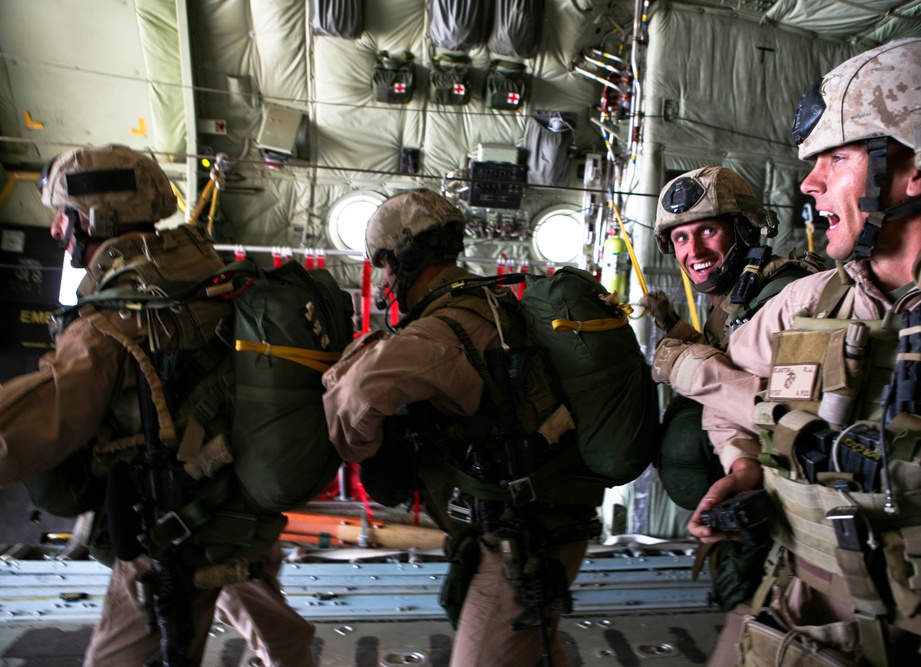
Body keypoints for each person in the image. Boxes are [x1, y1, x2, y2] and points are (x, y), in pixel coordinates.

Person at [655, 38, 921, 665]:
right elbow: (728, 403)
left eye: (835, 159)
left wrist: (694, 371)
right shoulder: (809, 302)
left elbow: (716, 383)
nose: (809, 184)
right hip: (798, 616)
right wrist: (744, 467)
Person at [0, 144, 315, 666]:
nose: (57, 230)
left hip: (174, 532)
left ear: (96, 217)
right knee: (270, 622)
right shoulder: (206, 271)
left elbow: (35, 423)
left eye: (64, 216)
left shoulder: (115, 316)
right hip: (242, 514)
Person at [322, 188, 603, 667]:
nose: (386, 280)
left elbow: (351, 413)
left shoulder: (439, 333)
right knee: (536, 651)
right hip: (552, 520)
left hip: (522, 537)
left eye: (386, 266)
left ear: (401, 260)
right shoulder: (493, 304)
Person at [638, 166, 823, 609]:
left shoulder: (792, 297)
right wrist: (676, 328)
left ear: (743, 230)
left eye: (707, 231)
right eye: (680, 238)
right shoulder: (738, 300)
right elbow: (733, 362)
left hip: (808, 526)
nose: (693, 250)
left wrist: (689, 367)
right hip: (758, 502)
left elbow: (799, 419)